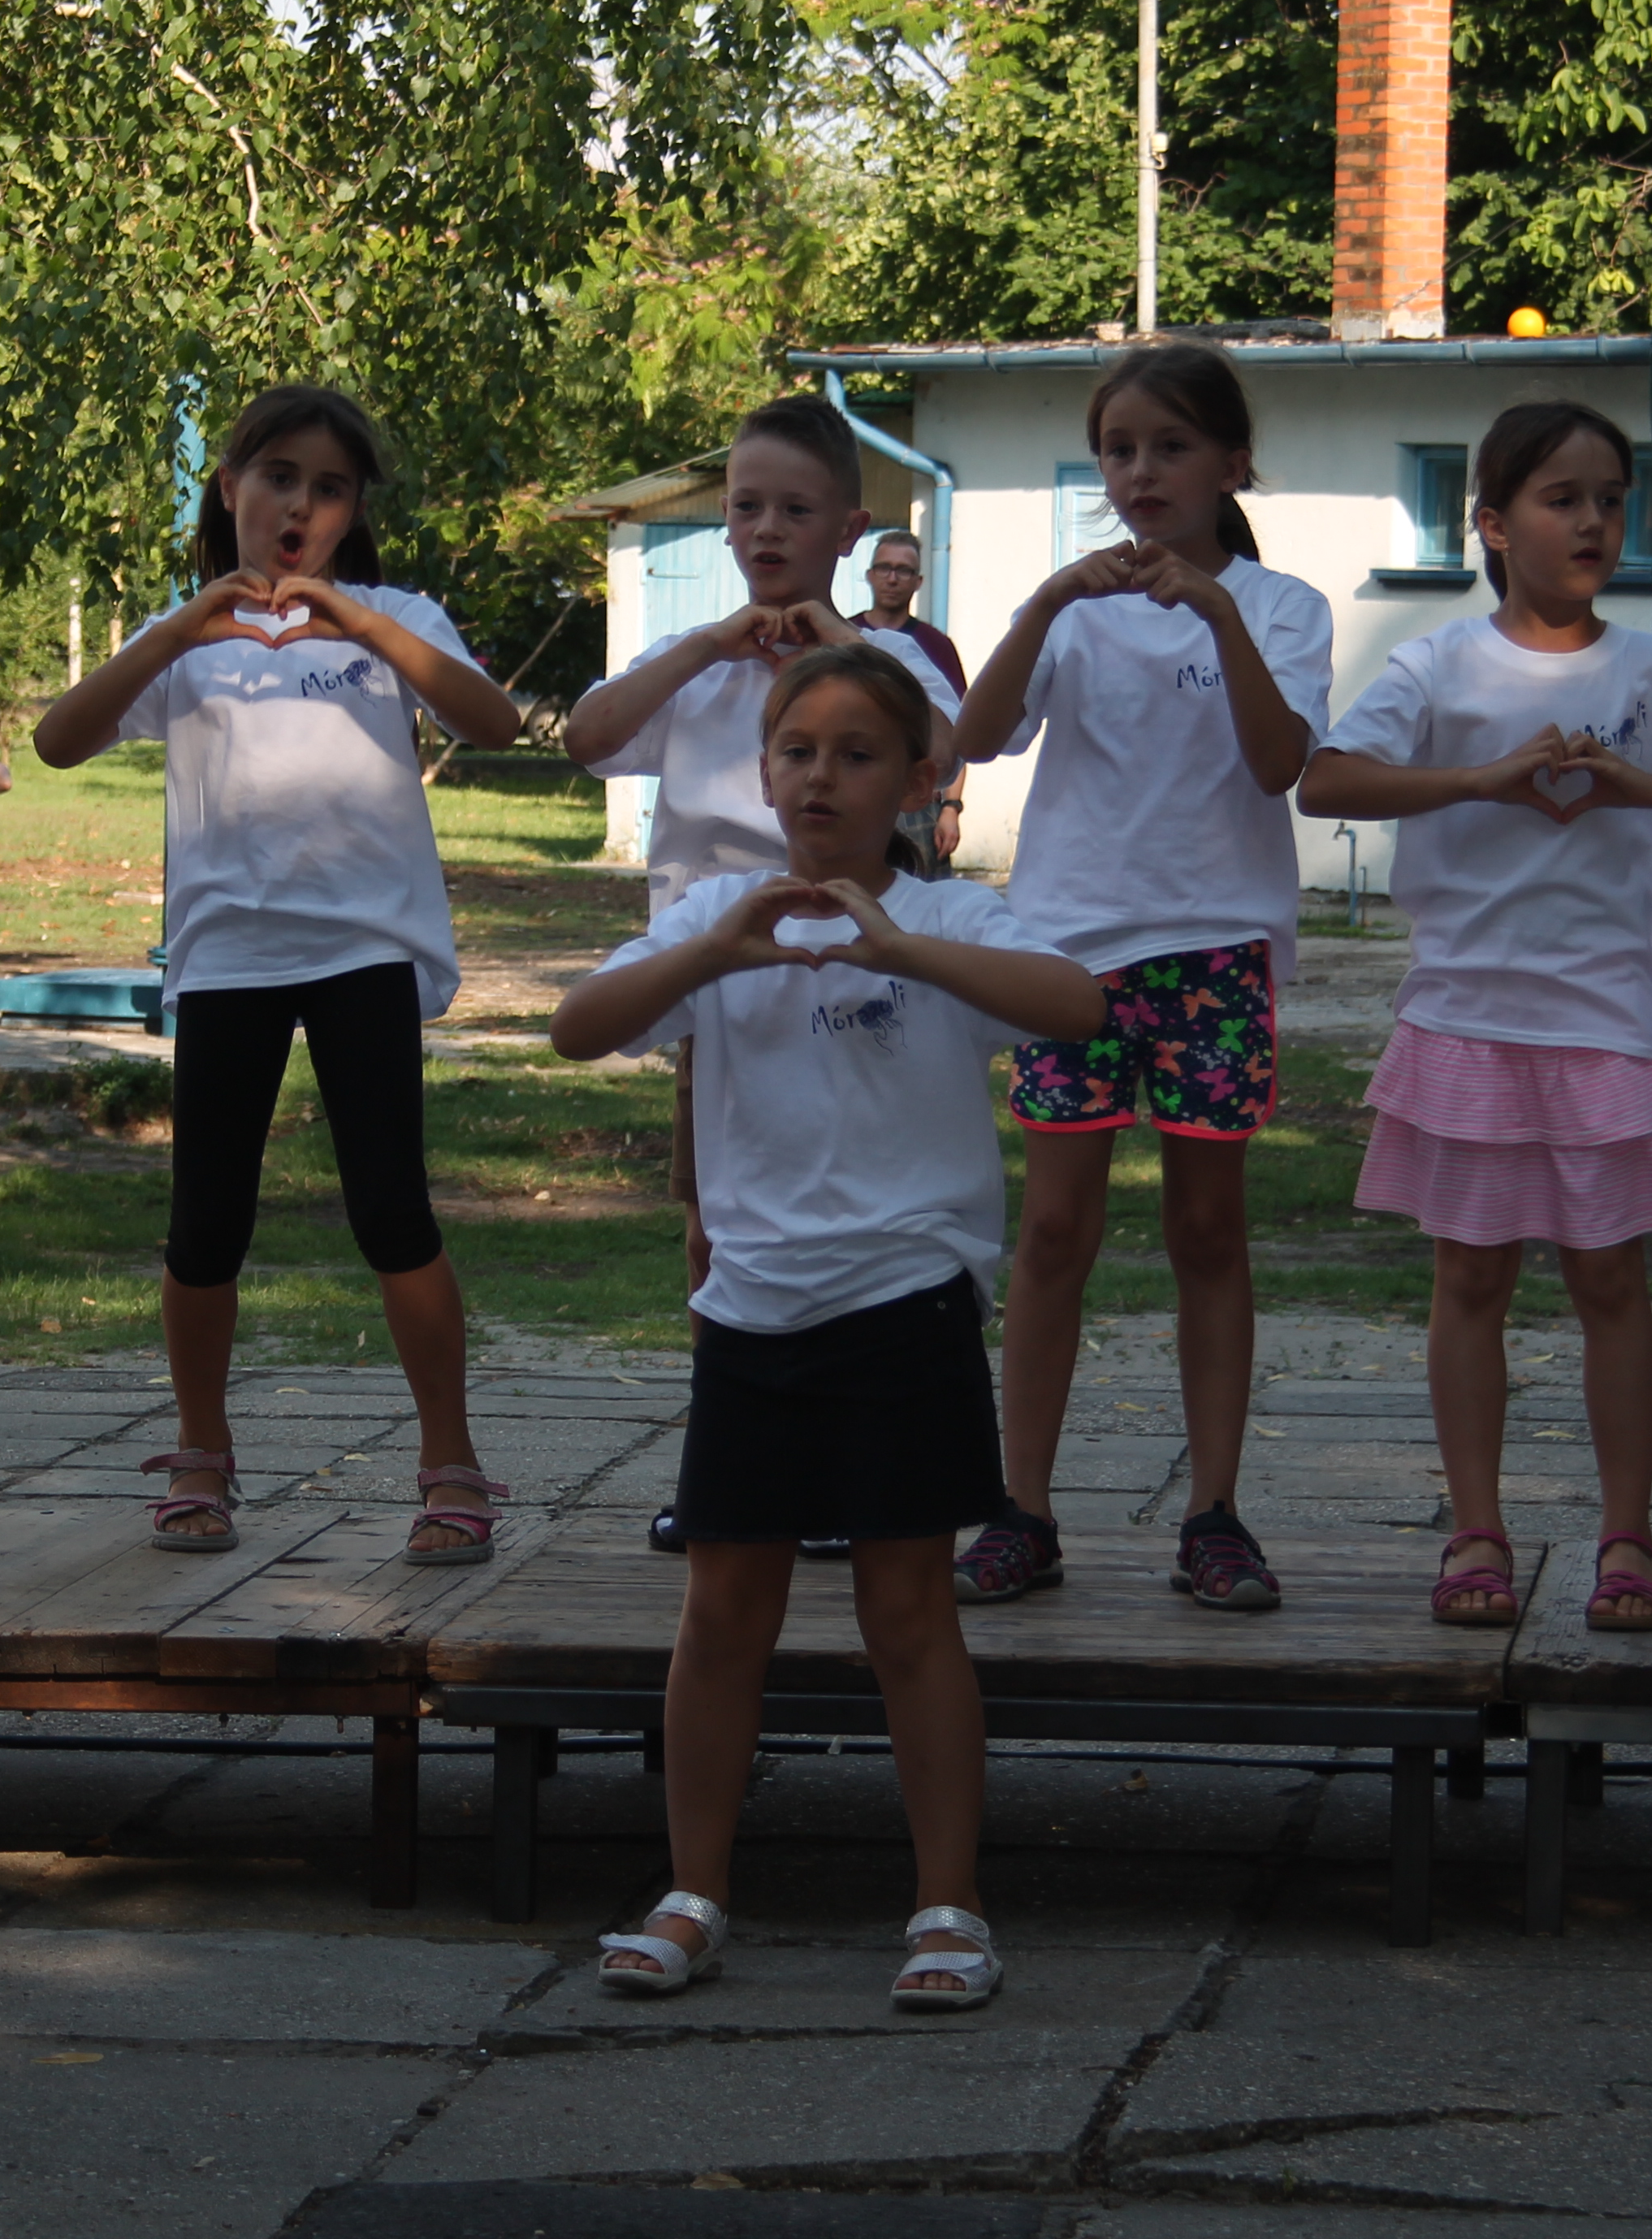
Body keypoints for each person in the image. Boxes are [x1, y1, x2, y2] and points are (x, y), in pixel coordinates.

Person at [549, 643, 1103, 2009]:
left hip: (906, 1303)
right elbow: (577, 1027)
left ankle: (948, 1904)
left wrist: (902, 947)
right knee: (721, 1613)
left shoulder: (951, 914)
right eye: (797, 750)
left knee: (907, 1611)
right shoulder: (720, 911)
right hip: (752, 1311)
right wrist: (712, 948)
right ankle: (692, 1892)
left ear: (918, 780)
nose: (821, 777)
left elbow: (1078, 1006)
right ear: (761, 772)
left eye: (858, 755)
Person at [1300, 401, 1652, 1631]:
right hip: (1465, 1016)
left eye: (1611, 500)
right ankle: (1477, 1531)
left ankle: (1629, 1538)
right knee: (1469, 1278)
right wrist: (1481, 778)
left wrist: (1638, 783)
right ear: (1491, 523)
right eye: (1561, 498)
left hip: (1605, 1024)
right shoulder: (1437, 665)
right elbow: (1329, 778)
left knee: (1610, 1281)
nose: (1592, 522)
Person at [31, 385, 523, 1560]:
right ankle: (201, 1453)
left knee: (392, 1210)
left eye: (331, 488)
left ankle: (450, 1460)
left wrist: (357, 622)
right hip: (230, 957)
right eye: (280, 478)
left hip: (364, 950)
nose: (302, 507)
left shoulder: (395, 617)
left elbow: (493, 721)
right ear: (230, 487)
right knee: (205, 1224)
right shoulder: (187, 637)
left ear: (355, 512)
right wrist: (177, 632)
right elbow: (57, 740)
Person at [945, 343, 1334, 1613]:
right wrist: (1042, 605)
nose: (1141, 472)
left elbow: (1279, 763)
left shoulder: (1282, 606)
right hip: (1069, 956)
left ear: (1232, 465)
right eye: (1119, 451)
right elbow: (973, 739)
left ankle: (1213, 1514)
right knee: (1054, 1232)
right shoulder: (1074, 609)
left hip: (1217, 952)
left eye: (1171, 447)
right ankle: (1022, 1510)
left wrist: (1216, 614)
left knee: (1207, 1232)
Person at [562, 396, 960, 1553]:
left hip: (860, 973)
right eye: (746, 508)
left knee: (850, 1233)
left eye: (795, 509)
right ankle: (731, 1469)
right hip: (719, 983)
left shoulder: (881, 658)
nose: (768, 530)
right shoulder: (696, 658)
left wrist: (835, 641)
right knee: (716, 1233)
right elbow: (587, 737)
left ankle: (841, 1479)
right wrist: (707, 646)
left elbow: (945, 750)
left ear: (850, 529)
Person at [856, 527, 971, 878]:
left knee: (923, 901)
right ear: (870, 575)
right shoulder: (844, 635)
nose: (892, 578)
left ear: (918, 581)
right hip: (856, 796)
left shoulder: (936, 647)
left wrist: (950, 808)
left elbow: (959, 733)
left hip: (918, 803)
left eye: (903, 570)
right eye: (884, 568)